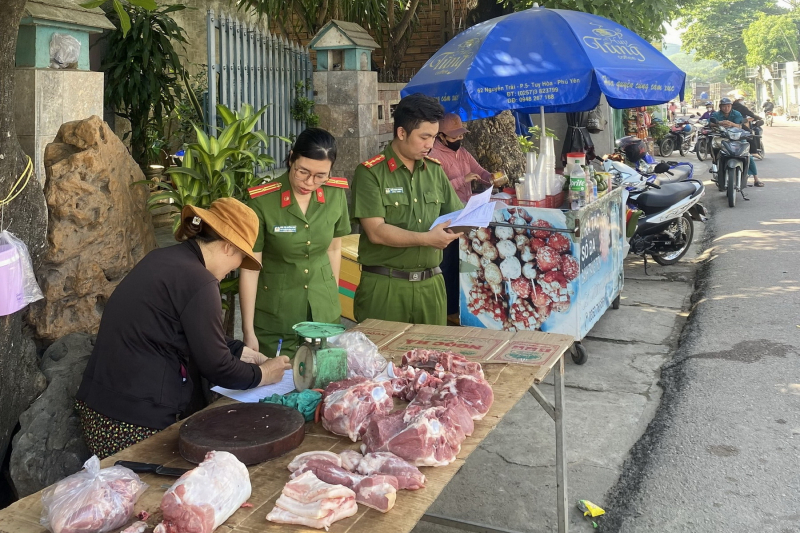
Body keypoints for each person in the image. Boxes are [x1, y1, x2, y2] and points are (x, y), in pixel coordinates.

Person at [75, 198, 292, 459]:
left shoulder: (163, 258)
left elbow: (191, 331)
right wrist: (264, 374)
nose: (235, 268)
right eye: (240, 259)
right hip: (131, 426)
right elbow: (218, 367)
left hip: (98, 414)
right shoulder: (199, 281)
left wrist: (240, 351)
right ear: (227, 247)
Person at [350, 93, 463, 325]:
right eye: (424, 137)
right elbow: (376, 231)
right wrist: (427, 239)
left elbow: (456, 216)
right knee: (381, 359)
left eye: (433, 137)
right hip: (386, 287)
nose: (430, 145)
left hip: (431, 285)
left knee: (433, 358)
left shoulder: (434, 170)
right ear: (402, 133)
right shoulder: (370, 173)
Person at [240, 128, 350, 359]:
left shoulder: (335, 194)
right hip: (277, 317)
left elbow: (334, 248)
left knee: (325, 382)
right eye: (303, 172)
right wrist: (248, 330)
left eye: (320, 175)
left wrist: (332, 298)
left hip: (324, 314)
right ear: (291, 159)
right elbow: (251, 267)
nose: (310, 182)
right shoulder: (262, 200)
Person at [428, 113, 495, 318]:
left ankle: (459, 306)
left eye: (460, 136)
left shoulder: (463, 153)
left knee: (463, 260)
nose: (459, 140)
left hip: (466, 213)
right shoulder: (433, 156)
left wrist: (490, 178)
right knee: (447, 264)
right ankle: (446, 310)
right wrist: (461, 180)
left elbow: (480, 171)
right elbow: (433, 190)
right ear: (441, 136)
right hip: (446, 217)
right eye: (454, 137)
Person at [711, 98, 763, 187]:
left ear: (731, 106)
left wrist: (731, 124)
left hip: (737, 138)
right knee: (715, 149)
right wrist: (720, 123)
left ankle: (756, 179)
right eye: (724, 106)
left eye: (728, 106)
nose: (726, 108)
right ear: (720, 107)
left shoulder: (736, 113)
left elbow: (740, 125)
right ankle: (715, 167)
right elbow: (711, 123)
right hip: (722, 138)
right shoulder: (716, 114)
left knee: (748, 155)